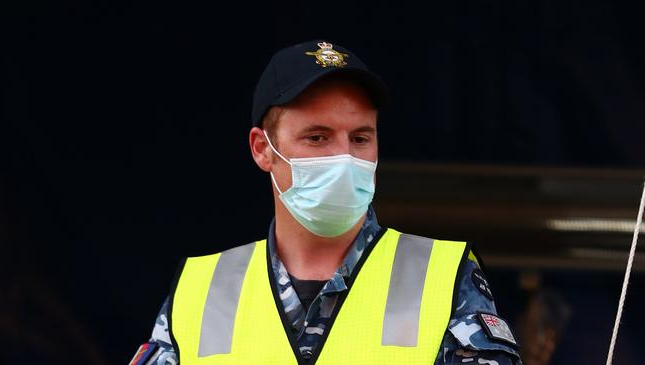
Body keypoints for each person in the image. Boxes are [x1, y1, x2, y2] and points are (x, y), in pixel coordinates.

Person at [129, 40, 523, 365]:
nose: (344, 158)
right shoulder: (201, 290)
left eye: (360, 138)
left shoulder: (443, 276)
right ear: (262, 149)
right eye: (317, 138)